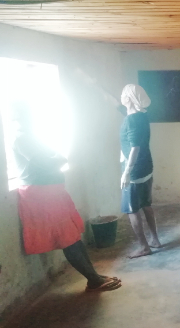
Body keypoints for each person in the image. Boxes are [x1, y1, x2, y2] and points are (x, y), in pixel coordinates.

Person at [12, 103, 121, 292]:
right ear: (20, 118)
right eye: (29, 115)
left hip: (50, 193)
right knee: (67, 239)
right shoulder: (22, 139)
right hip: (42, 196)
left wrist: (57, 160)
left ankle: (93, 276)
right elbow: (52, 161)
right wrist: (57, 160)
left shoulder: (33, 138)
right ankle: (93, 280)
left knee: (72, 237)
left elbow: (59, 159)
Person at [120, 84, 162, 258]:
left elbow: (134, 148)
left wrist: (126, 172)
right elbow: (118, 105)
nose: (121, 97)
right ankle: (155, 240)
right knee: (146, 204)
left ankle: (144, 247)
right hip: (146, 166)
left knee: (132, 209)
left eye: (123, 94)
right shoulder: (142, 115)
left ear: (129, 98)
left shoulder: (131, 120)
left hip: (135, 169)